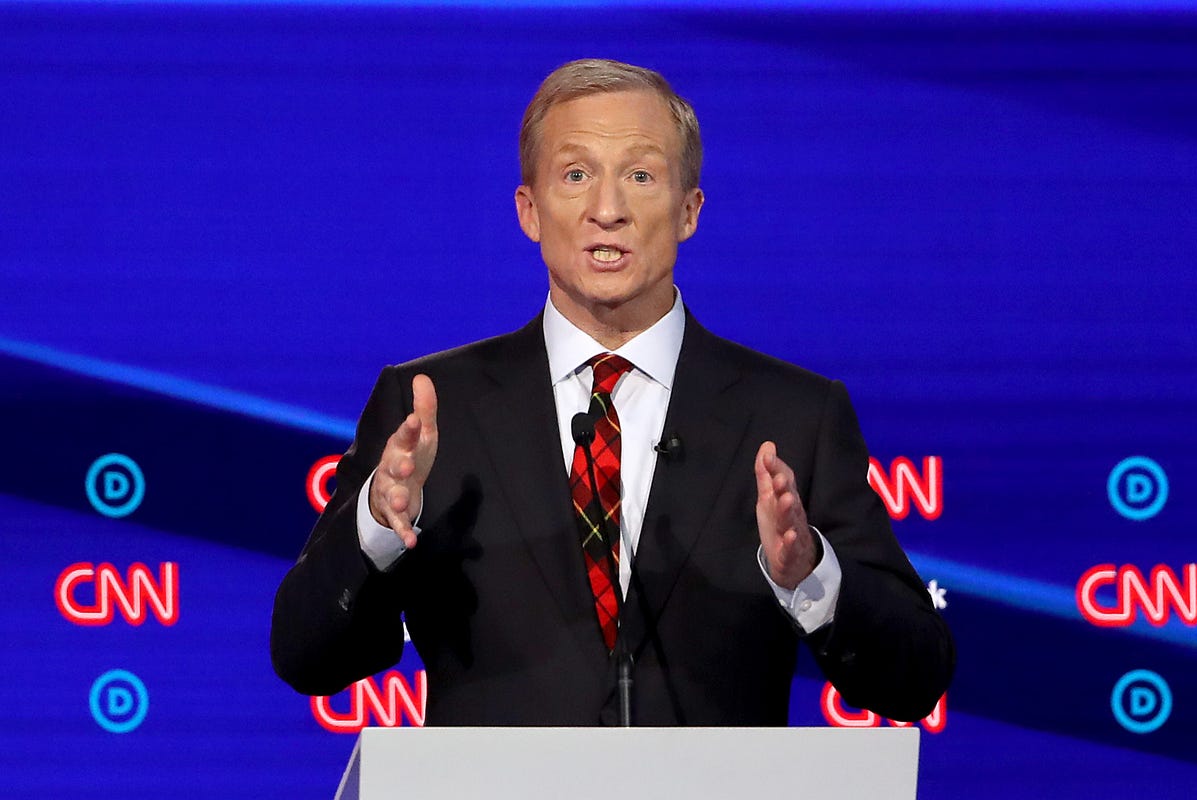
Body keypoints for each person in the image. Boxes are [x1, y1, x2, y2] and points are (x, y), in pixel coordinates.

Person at [271, 58, 953, 726]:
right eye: (575, 175)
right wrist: (373, 530)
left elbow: (916, 678)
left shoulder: (793, 416)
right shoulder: (428, 412)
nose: (607, 210)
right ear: (529, 211)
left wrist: (809, 574)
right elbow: (307, 658)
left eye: (641, 175)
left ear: (689, 210)